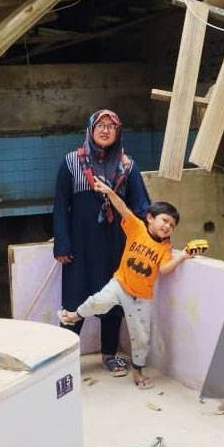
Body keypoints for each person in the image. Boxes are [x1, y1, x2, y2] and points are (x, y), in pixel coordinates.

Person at [59, 179, 191, 389]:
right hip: (120, 284)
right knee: (97, 302)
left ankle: (137, 371)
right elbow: (123, 208)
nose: (167, 226)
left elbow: (164, 270)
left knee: (141, 336)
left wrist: (183, 256)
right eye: (164, 220)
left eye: (172, 225)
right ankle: (76, 314)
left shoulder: (166, 247)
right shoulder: (137, 228)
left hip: (142, 297)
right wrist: (110, 192)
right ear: (149, 218)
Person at [53, 109, 151, 377]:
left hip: (116, 246)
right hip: (80, 246)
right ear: (90, 129)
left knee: (114, 301)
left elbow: (141, 205)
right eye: (101, 125)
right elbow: (61, 205)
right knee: (74, 298)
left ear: (118, 133)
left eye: (112, 126)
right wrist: (62, 243)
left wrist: (156, 232)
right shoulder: (71, 162)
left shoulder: (128, 167)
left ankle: (109, 354)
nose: (106, 130)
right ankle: (67, 359)